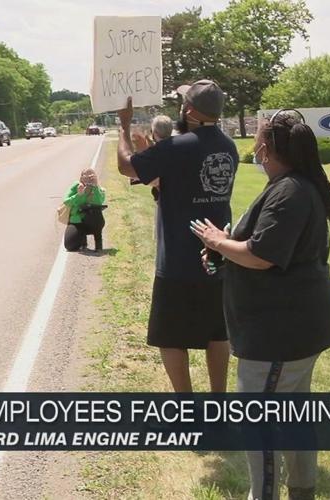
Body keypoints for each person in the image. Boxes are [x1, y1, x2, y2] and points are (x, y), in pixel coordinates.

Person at [191, 110, 330, 500]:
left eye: (257, 138)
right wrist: (227, 248)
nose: (253, 146)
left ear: (268, 148)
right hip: (290, 329)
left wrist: (217, 241)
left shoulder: (290, 190)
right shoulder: (289, 185)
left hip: (279, 335)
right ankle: (302, 491)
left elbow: (262, 255)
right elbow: (262, 246)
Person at [116, 80, 238, 393]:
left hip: (178, 260)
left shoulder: (177, 147)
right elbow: (183, 184)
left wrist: (124, 125)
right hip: (218, 255)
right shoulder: (228, 146)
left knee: (170, 337)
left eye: (184, 102)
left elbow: (127, 167)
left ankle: (186, 406)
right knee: (217, 334)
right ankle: (218, 401)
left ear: (190, 110)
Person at [62, 167, 106, 252]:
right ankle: (83, 243)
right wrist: (79, 194)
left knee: (97, 214)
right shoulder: (76, 186)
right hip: (77, 221)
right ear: (81, 177)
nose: (89, 179)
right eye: (86, 177)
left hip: (93, 220)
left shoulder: (99, 189)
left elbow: (99, 202)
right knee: (70, 246)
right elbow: (66, 201)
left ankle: (98, 246)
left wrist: (95, 187)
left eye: (91, 177)